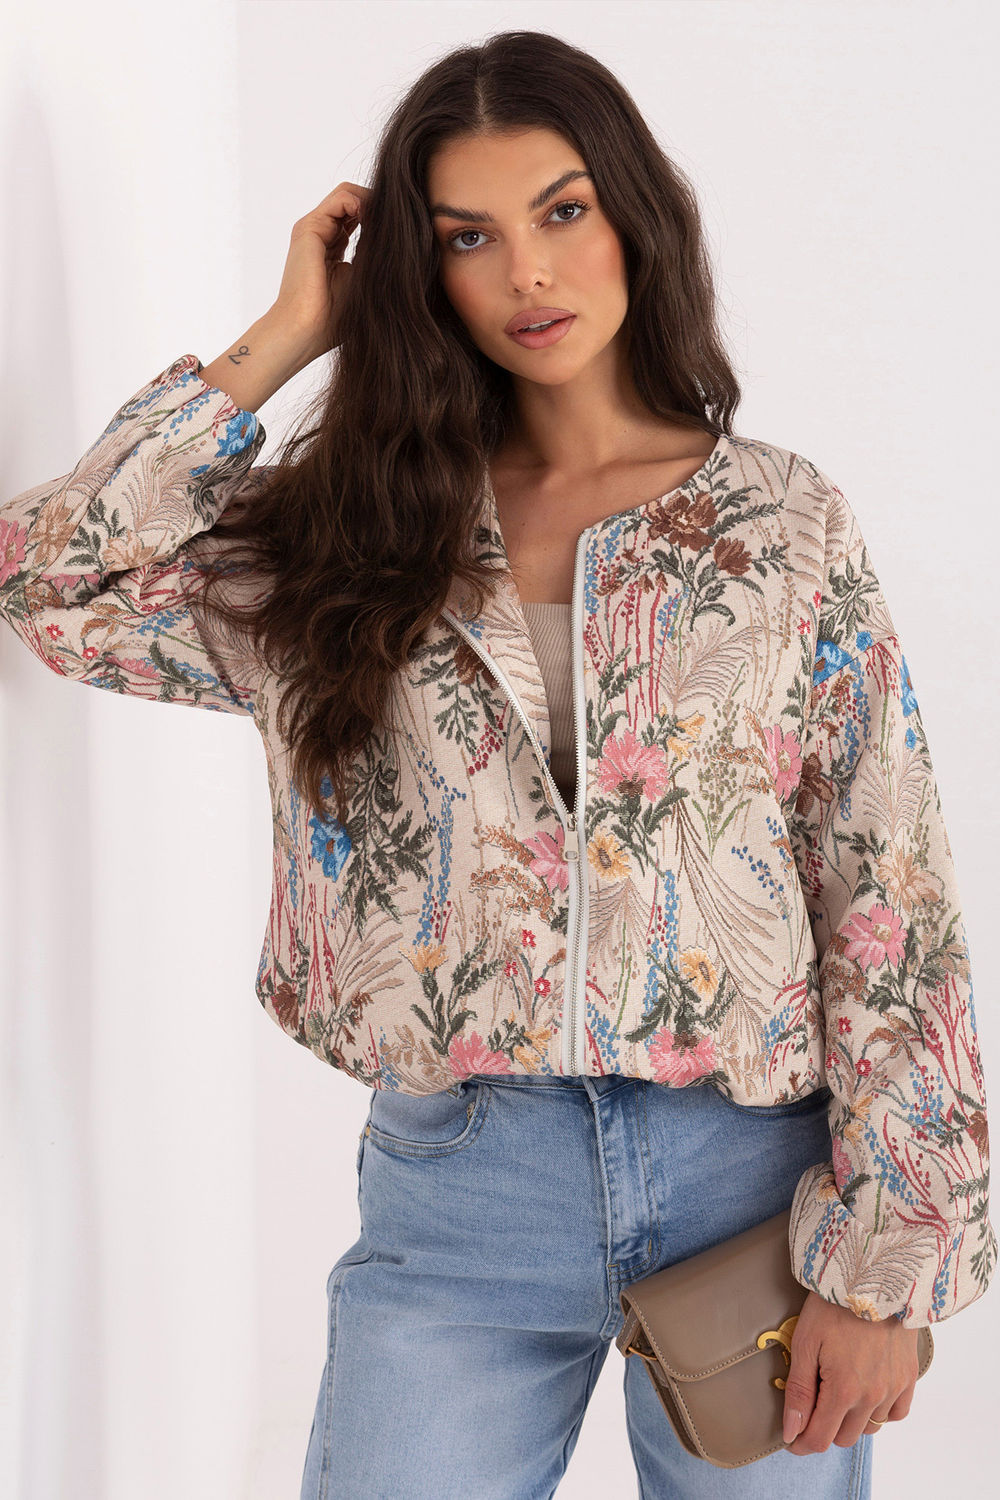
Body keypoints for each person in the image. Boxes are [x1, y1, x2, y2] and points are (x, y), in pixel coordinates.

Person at [1, 27, 994, 1500]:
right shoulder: (354, 535)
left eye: (562, 210)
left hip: (752, 1179)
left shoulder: (783, 527)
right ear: (422, 271)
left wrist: (892, 1260)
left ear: (638, 215)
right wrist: (286, 337)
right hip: (463, 1184)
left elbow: (887, 891)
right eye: (468, 236)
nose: (528, 272)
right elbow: (50, 584)